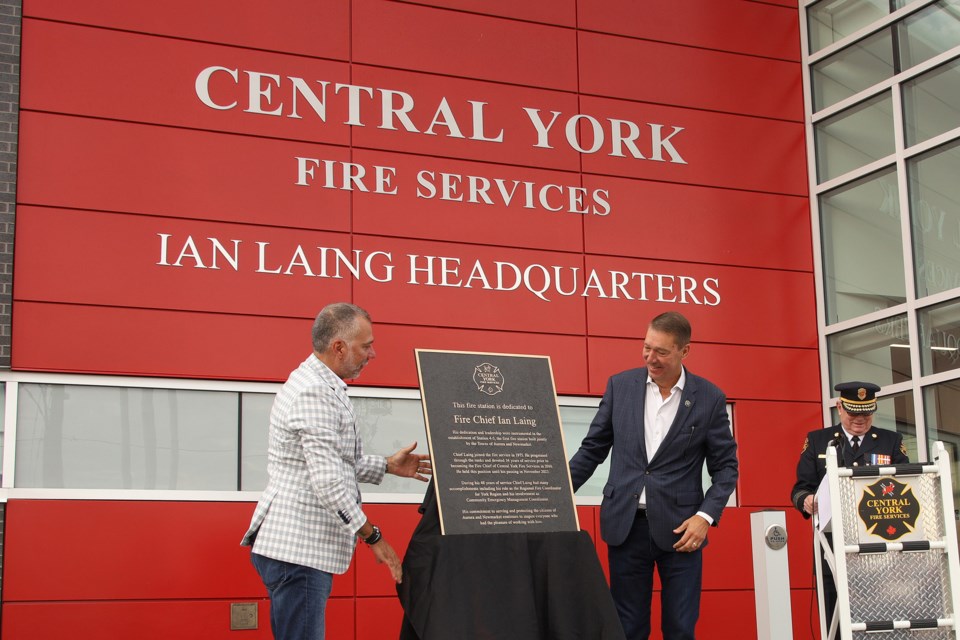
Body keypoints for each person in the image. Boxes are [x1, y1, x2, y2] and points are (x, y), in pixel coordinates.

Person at [241, 302, 432, 640]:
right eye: (366, 345)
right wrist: (373, 536)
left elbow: (335, 460)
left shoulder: (318, 383)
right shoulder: (314, 392)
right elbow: (328, 482)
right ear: (339, 347)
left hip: (295, 552)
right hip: (297, 553)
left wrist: (388, 465)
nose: (372, 354)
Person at [568, 311, 739, 640]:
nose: (651, 357)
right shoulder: (620, 386)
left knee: (679, 627)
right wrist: (554, 495)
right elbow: (592, 449)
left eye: (661, 351)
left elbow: (726, 467)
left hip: (682, 532)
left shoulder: (709, 398)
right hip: (625, 526)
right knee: (627, 627)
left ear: (684, 351)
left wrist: (705, 517)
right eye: (647, 348)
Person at [790, 381, 908, 639]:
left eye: (866, 413)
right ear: (839, 407)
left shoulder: (890, 441)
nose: (860, 420)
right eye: (854, 412)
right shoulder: (818, 440)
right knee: (836, 619)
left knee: (882, 620)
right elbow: (799, 489)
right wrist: (807, 500)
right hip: (832, 544)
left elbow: (906, 484)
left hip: (880, 548)